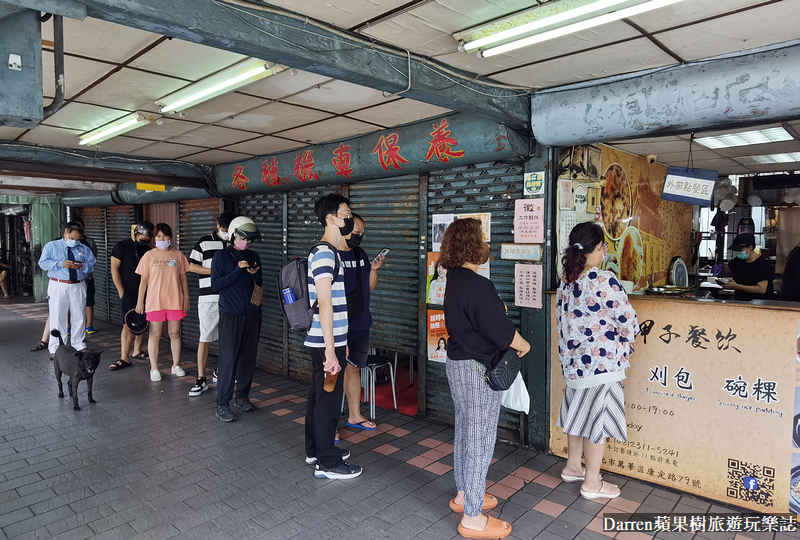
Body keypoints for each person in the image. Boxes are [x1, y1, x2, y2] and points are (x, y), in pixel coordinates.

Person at [439, 218, 529, 539]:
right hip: (479, 369)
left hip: (458, 364)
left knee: (465, 430)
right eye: (482, 238)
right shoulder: (478, 285)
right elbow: (501, 331)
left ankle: (465, 496)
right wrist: (524, 344)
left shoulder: (454, 280)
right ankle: (474, 517)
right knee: (480, 439)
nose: (486, 243)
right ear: (471, 244)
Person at [556, 222, 639, 501]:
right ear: (598, 248)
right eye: (603, 245)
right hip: (603, 366)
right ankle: (592, 482)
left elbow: (561, 324)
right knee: (596, 424)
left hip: (575, 366)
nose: (605, 250)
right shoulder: (604, 280)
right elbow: (628, 320)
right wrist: (628, 341)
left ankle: (572, 467)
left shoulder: (566, 281)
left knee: (578, 416)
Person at [304, 193, 361, 479]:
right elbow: (324, 302)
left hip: (330, 339)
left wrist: (340, 342)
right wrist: (330, 350)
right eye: (346, 213)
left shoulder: (327, 252)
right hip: (325, 342)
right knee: (328, 401)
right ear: (330, 218)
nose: (349, 218)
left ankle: (316, 449)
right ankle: (328, 463)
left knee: (319, 396)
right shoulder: (325, 253)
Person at [210, 216, 263, 422]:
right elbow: (216, 284)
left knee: (248, 358)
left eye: (250, 240)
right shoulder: (221, 257)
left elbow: (258, 283)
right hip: (230, 315)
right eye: (243, 238)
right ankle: (222, 403)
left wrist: (253, 273)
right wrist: (236, 271)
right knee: (228, 358)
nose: (246, 243)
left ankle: (242, 395)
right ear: (233, 235)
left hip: (252, 313)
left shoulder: (254, 255)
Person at [337, 212, 385, 431]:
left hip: (360, 322)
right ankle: (327, 426)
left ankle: (354, 415)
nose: (359, 236)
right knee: (331, 374)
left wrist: (373, 270)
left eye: (362, 233)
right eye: (356, 232)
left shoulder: (360, 254)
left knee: (354, 369)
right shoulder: (330, 255)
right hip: (337, 325)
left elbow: (370, 287)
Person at [188, 211, 237, 397]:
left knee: (228, 338)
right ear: (218, 226)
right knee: (206, 337)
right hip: (209, 297)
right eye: (224, 229)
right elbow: (191, 266)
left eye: (228, 230)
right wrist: (214, 272)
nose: (226, 233)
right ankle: (201, 378)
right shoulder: (203, 242)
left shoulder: (235, 242)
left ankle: (221, 371)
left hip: (230, 297)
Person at [135, 223, 189, 381]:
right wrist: (140, 302)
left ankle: (176, 365)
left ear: (170, 237)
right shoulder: (149, 256)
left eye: (165, 236)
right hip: (154, 301)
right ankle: (154, 368)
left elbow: (183, 278)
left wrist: (186, 297)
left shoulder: (178, 255)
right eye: (158, 236)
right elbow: (143, 281)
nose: (162, 239)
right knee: (155, 334)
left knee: (175, 333)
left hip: (175, 300)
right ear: (154, 238)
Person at [38, 223, 96, 358]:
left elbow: (92, 264)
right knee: (57, 316)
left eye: (77, 239)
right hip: (58, 284)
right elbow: (43, 263)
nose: (74, 241)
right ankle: (56, 348)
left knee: (79, 315)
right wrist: (60, 264)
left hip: (78, 284)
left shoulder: (84, 248)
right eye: (72, 238)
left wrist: (82, 266)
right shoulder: (52, 246)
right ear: (65, 233)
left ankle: (79, 344)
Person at [109, 221, 153, 370]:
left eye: (148, 240)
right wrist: (120, 290)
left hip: (145, 292)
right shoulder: (122, 246)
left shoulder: (148, 250)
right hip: (128, 291)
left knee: (143, 322)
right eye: (143, 238)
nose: (145, 242)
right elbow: (114, 269)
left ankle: (138, 350)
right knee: (127, 324)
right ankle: (124, 357)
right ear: (136, 233)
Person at [723, 233, 774, 301]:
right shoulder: (738, 261)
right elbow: (726, 269)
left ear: (750, 247)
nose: (738, 252)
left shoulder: (762, 264)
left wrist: (737, 286)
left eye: (740, 250)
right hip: (740, 302)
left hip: (759, 304)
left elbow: (761, 289)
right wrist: (719, 269)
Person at [74, 218, 98, 334]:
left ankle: (89, 325)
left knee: (89, 301)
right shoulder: (62, 243)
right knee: (72, 303)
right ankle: (69, 326)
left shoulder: (89, 242)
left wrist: (82, 266)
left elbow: (93, 260)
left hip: (87, 277)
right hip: (71, 279)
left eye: (80, 226)